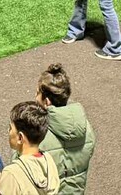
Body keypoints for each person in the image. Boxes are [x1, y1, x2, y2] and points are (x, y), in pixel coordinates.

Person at [34, 64, 94, 195]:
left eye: (38, 93)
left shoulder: (38, 134)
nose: (35, 95)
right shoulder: (86, 127)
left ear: (47, 101)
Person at [0, 102, 59, 195]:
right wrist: (6, 185)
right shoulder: (49, 160)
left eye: (10, 128)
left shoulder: (11, 172)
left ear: (20, 138)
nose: (8, 131)